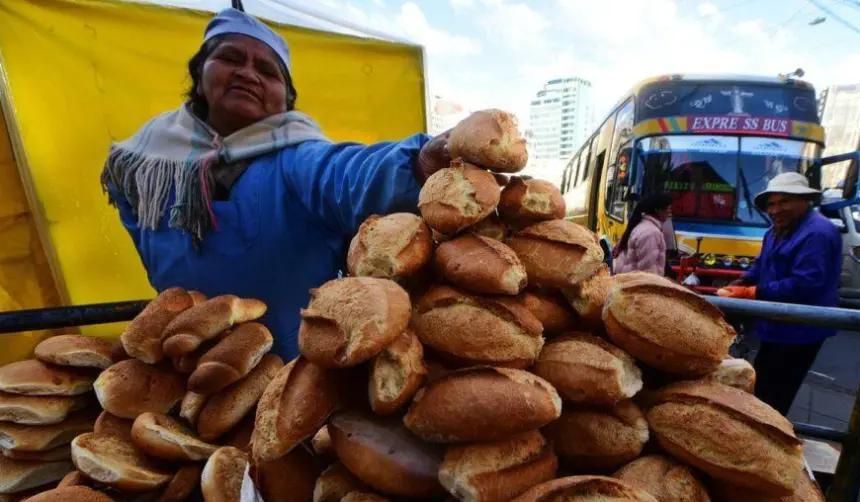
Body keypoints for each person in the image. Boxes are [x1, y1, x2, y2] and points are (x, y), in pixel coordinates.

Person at [102, 9, 453, 360]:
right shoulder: (142, 163)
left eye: (267, 71)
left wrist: (419, 162)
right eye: (230, 57)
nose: (247, 73)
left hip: (292, 372)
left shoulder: (297, 159)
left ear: (285, 100)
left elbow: (350, 174)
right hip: (185, 366)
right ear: (199, 73)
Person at [718, 172, 841, 416]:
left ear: (804, 201)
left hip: (800, 331)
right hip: (774, 325)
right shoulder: (775, 230)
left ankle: (767, 438)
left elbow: (805, 285)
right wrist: (743, 280)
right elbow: (762, 264)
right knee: (762, 384)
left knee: (776, 395)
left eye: (784, 202)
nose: (775, 210)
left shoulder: (818, 233)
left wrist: (751, 292)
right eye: (771, 204)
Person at [613, 193, 674, 276]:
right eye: (668, 208)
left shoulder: (643, 226)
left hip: (628, 282)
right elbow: (648, 273)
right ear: (657, 210)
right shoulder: (651, 233)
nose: (670, 212)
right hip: (635, 285)